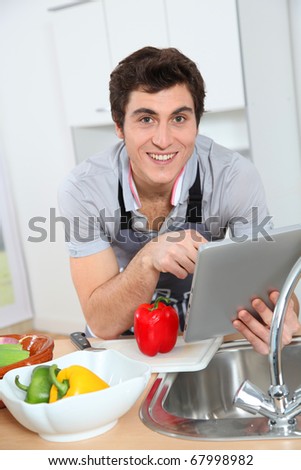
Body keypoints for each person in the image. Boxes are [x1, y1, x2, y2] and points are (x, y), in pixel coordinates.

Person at [58, 47, 300, 354]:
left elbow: (273, 288)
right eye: (146, 119)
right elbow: (102, 323)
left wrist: (283, 312)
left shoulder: (234, 177)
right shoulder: (83, 189)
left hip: (202, 341)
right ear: (119, 126)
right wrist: (148, 258)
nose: (163, 139)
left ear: (196, 123)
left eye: (179, 118)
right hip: (124, 344)